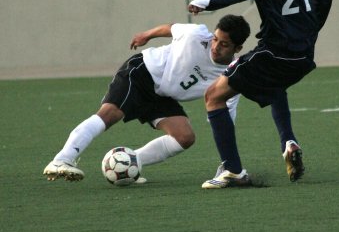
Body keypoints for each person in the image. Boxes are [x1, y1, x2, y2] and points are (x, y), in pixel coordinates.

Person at [188, 0, 332, 189]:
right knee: (273, 83)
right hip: (303, 56)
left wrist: (205, 2)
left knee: (214, 95)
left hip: (276, 51)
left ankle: (232, 171)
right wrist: (308, 32)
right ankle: (288, 142)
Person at [43, 15, 250, 182]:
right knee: (109, 114)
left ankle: (130, 163)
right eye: (215, 39)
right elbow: (170, 28)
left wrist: (228, 159)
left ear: (237, 49)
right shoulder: (195, 34)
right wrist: (146, 35)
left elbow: (224, 120)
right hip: (142, 72)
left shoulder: (230, 77)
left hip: (161, 94)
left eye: (223, 44)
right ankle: (62, 160)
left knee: (184, 137)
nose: (215, 46)